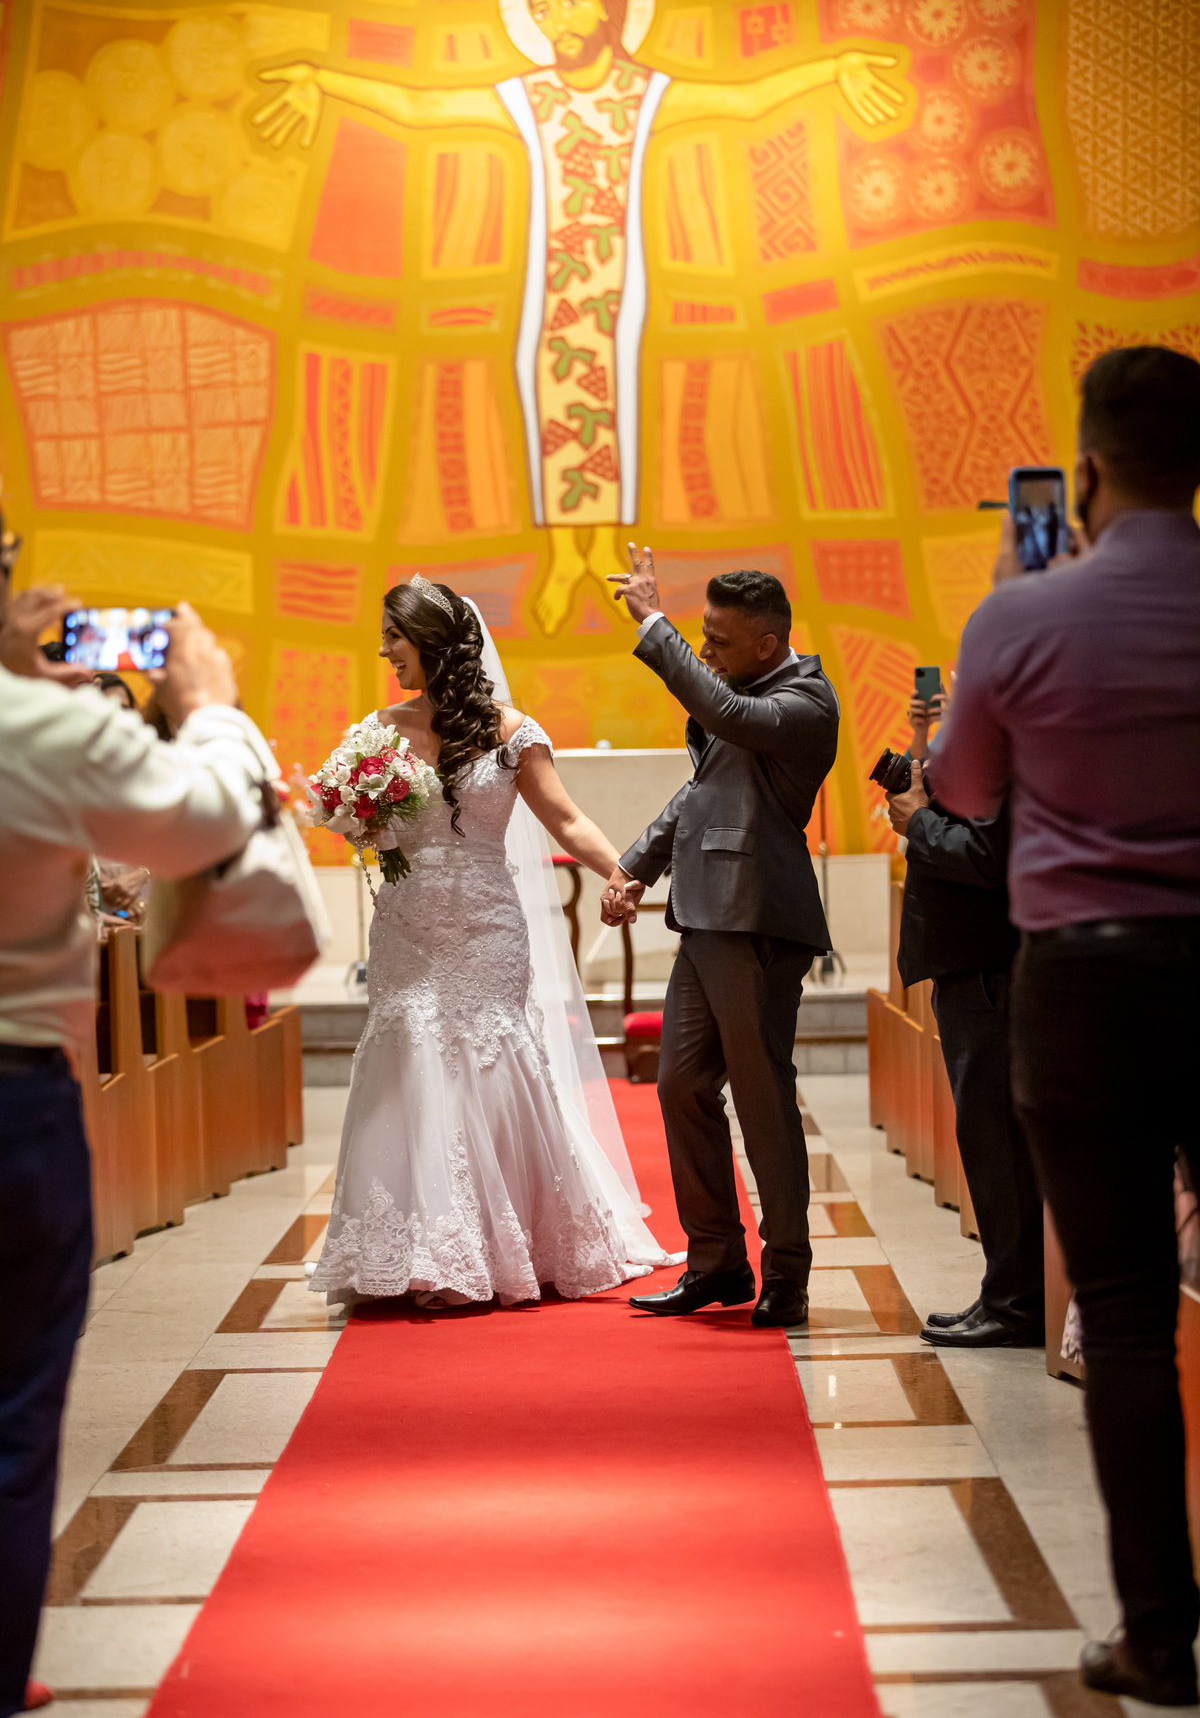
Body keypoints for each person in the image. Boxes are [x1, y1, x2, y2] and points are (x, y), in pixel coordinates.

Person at [251, 0, 905, 634]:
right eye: (540, 10)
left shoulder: (643, 92)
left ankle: (599, 550)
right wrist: (323, 81)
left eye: (568, 4)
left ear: (609, 9)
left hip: (618, 293)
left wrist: (834, 68)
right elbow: (422, 107)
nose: (553, 20)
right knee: (553, 405)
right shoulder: (531, 96)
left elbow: (745, 99)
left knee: (616, 407)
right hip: (556, 294)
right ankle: (568, 556)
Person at [929, 345, 1200, 1708]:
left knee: (1131, 1316)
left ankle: (1157, 1636)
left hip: (1085, 986)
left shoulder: (1023, 615)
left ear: (1082, 472)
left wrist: (1010, 606)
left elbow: (963, 788)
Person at [0, 580, 282, 1718]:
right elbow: (209, 821)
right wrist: (208, 704)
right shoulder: (41, 725)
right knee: (12, 1413)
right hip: (9, 1094)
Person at [308, 575, 682, 1310]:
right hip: (408, 923)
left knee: (488, 1052)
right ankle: (415, 1248)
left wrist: (624, 873)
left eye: (395, 637)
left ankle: (496, 1243)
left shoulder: (514, 733)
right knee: (410, 1049)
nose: (385, 652)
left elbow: (566, 819)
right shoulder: (377, 731)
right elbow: (351, 820)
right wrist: (354, 814)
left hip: (486, 923)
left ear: (433, 643)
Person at [602, 551, 839, 1328]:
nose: (705, 649)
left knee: (762, 1097)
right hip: (705, 915)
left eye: (719, 639)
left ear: (768, 643)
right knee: (680, 1086)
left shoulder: (804, 701)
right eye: (699, 634)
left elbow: (725, 716)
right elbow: (701, 793)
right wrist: (635, 866)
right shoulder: (745, 691)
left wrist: (653, 622)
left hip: (758, 919)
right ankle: (716, 1262)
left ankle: (788, 1272)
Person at [885, 694, 1044, 1349]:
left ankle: (1018, 1304)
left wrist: (919, 822)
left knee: (997, 1141)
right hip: (971, 966)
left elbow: (985, 856)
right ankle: (1004, 1290)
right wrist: (922, 752)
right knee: (986, 1139)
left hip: (986, 966)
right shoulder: (994, 741)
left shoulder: (1011, 748)